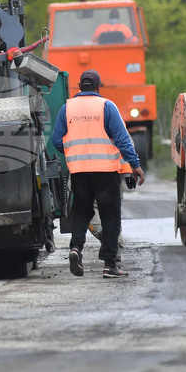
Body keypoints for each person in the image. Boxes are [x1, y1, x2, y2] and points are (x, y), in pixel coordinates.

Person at [52, 70, 146, 278]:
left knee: (81, 211)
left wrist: (74, 153)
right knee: (110, 217)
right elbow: (122, 140)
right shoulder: (107, 106)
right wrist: (135, 165)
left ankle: (76, 248)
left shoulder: (67, 108)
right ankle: (110, 265)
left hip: (79, 171)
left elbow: (57, 140)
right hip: (105, 171)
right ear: (98, 87)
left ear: (79, 86)